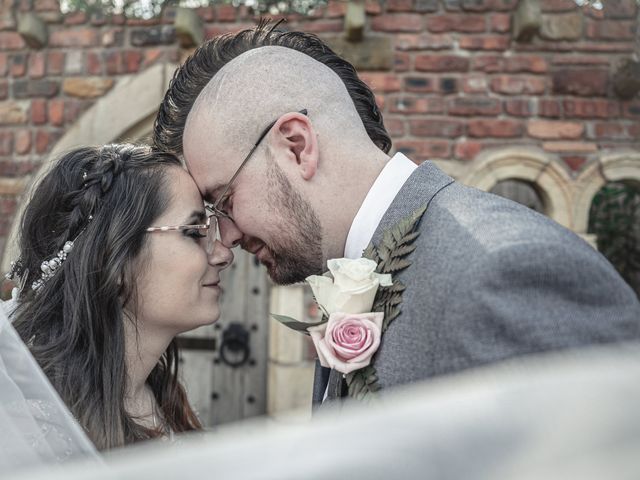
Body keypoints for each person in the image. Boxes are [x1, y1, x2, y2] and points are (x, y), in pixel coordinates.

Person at [153, 26, 640, 405]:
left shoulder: (506, 271)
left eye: (225, 201)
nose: (228, 236)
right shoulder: (361, 265)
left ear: (296, 146)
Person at [5, 144, 233, 449]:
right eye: (193, 231)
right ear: (114, 260)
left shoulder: (160, 397)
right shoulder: (36, 434)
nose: (223, 253)